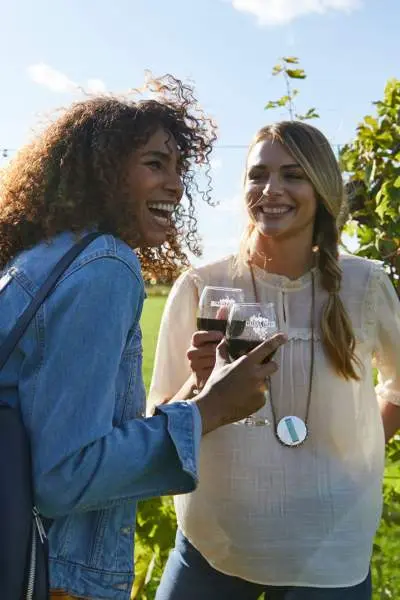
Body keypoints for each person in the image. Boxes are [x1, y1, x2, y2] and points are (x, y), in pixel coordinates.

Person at [0, 75, 286, 600]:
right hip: (57, 578)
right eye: (155, 164)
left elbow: (74, 436)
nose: (176, 186)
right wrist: (214, 410)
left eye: (180, 170)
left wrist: (195, 390)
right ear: (103, 172)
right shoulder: (106, 266)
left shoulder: (38, 260)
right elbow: (66, 476)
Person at [149, 120, 400, 600]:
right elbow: (159, 412)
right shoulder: (204, 285)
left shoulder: (365, 285)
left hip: (330, 542)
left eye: (292, 175)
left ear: (321, 186)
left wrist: (351, 466)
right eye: (257, 174)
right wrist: (200, 384)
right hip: (214, 539)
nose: (271, 190)